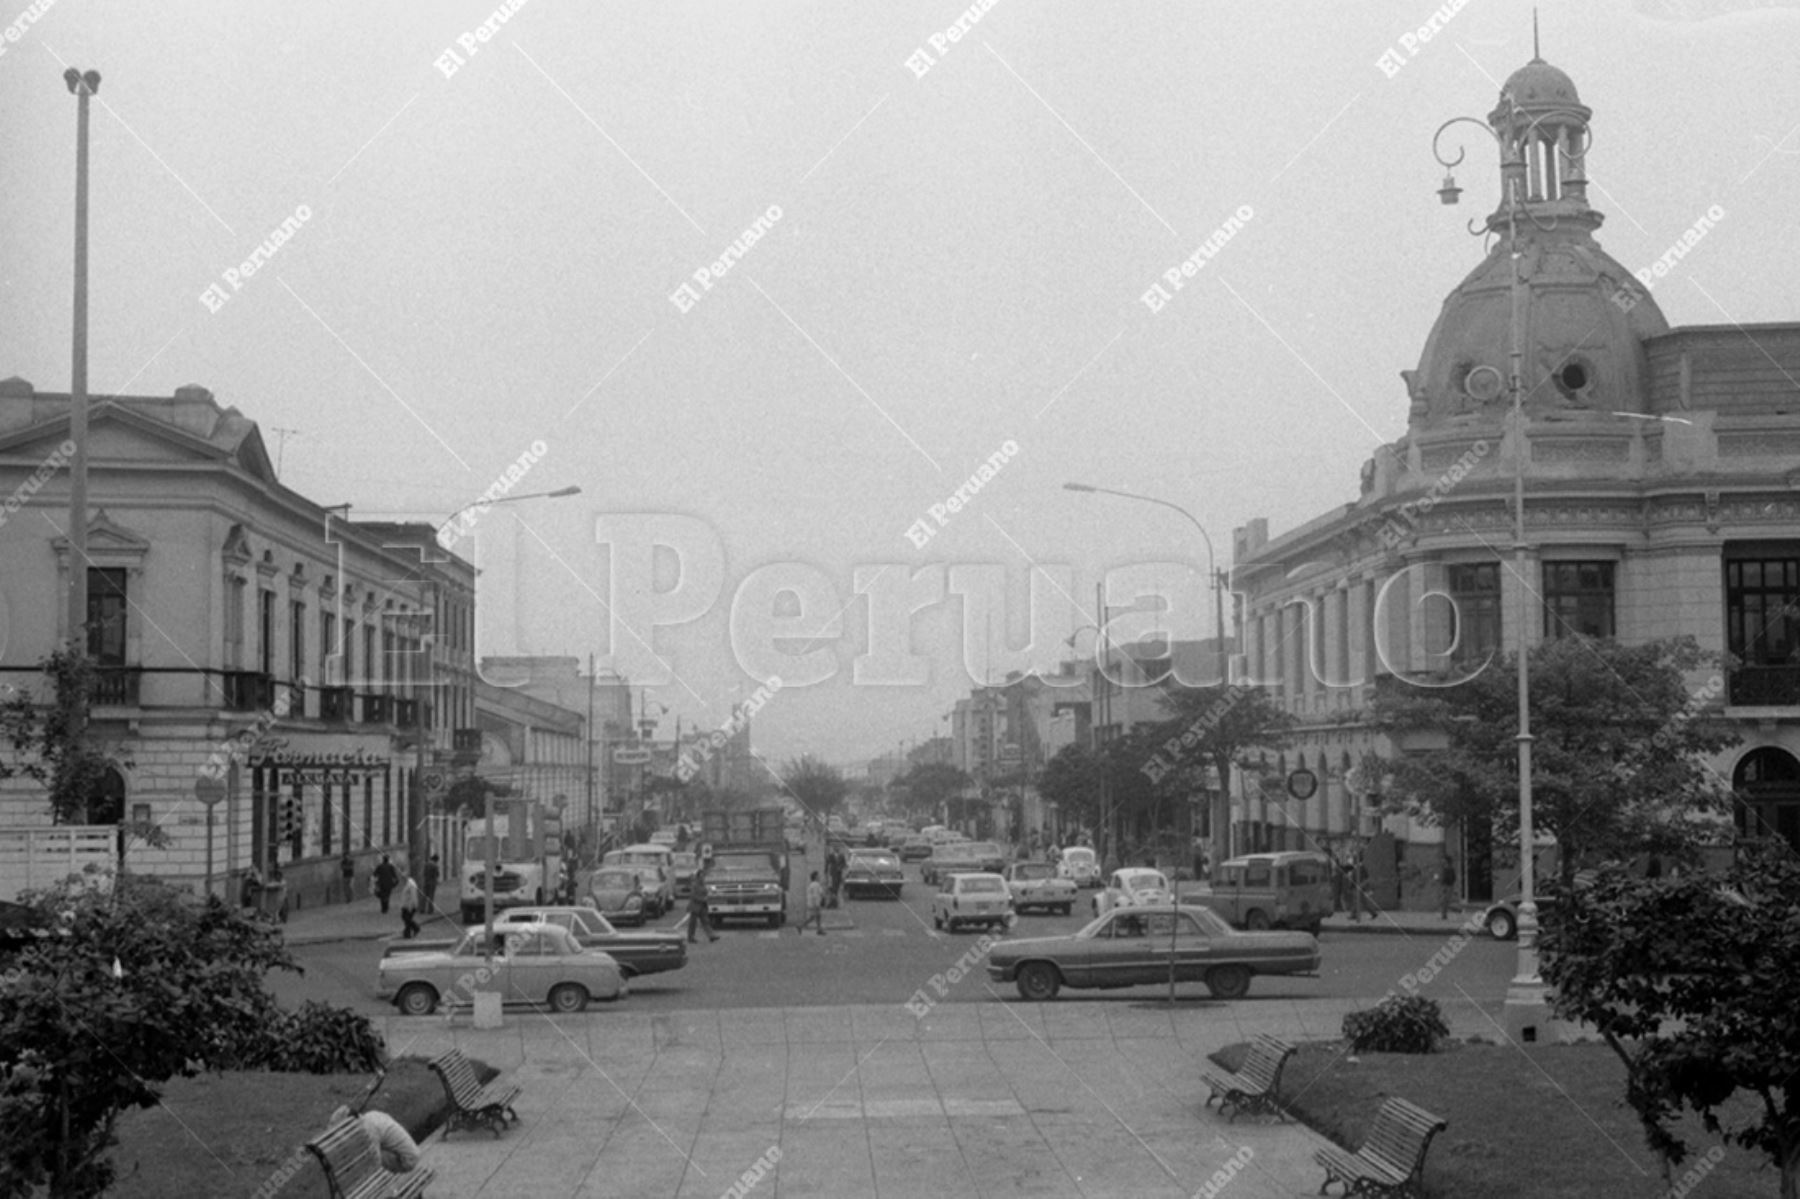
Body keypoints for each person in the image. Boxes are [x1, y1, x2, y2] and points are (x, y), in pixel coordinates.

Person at [329, 1105, 420, 1174]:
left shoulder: (369, 1130)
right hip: (411, 1153)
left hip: (406, 1160)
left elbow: (375, 1162)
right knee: (364, 1155)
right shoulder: (369, 1116)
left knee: (367, 1159)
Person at [687, 864, 719, 943]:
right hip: (695, 906)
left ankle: (711, 936)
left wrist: (710, 893)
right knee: (692, 924)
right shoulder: (695, 885)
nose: (703, 877)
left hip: (703, 907)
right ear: (698, 876)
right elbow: (693, 896)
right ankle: (690, 937)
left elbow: (706, 892)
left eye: (703, 876)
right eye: (701, 876)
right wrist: (702, 899)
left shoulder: (703, 884)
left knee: (705, 922)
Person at [798, 870, 826, 935]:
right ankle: (801, 926)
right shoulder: (816, 885)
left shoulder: (812, 884)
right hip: (815, 904)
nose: (820, 877)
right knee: (813, 917)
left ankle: (819, 929)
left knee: (817, 916)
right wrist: (817, 904)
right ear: (816, 877)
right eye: (818, 875)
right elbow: (816, 895)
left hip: (812, 903)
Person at [397, 873, 420, 939]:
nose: (401, 879)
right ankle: (410, 931)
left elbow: (413, 896)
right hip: (405, 905)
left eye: (403, 878)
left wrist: (412, 906)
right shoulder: (406, 884)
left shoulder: (411, 884)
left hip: (410, 906)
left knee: (407, 919)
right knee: (405, 918)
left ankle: (411, 931)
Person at [1438, 854, 1456, 920]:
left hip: (1446, 886)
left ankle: (1444, 915)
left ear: (1446, 861)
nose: (1442, 861)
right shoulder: (1450, 868)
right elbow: (1454, 878)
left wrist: (1440, 880)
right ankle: (1444, 914)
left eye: (1443, 860)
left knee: (1444, 901)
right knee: (1445, 901)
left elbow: (1446, 878)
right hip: (1449, 886)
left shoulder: (1447, 869)